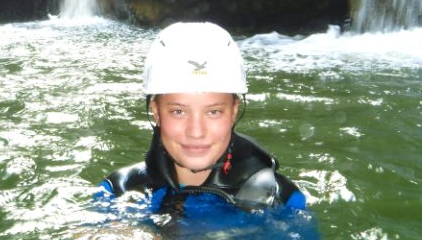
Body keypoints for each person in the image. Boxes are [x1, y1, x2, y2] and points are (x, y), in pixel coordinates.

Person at [100, 21, 306, 211]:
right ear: (156, 112)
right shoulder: (117, 190)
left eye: (213, 112)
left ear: (234, 111)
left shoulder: (282, 200)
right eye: (178, 112)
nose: (196, 132)